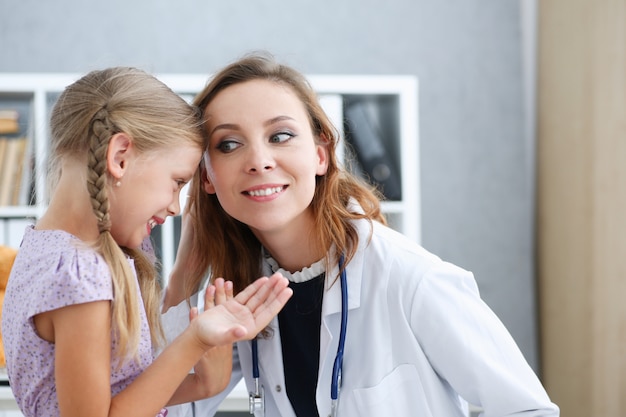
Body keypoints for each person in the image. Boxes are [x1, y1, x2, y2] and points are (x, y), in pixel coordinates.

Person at [162, 52, 560, 417]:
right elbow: (164, 409)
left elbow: (529, 410)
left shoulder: (409, 278)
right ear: (207, 178)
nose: (259, 161)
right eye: (229, 144)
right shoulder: (239, 294)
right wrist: (183, 277)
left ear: (321, 154)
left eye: (280, 136)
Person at [0, 66, 293, 417]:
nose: (174, 206)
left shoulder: (43, 248)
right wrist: (193, 341)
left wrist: (205, 383)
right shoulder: (82, 275)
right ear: (120, 156)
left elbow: (117, 398)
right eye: (177, 181)